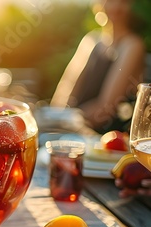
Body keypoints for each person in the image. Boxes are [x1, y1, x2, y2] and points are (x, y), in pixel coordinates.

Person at [50, 0, 146, 134]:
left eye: (123, 1)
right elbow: (66, 89)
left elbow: (105, 109)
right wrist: (53, 119)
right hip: (75, 130)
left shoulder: (132, 45)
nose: (116, 6)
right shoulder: (90, 40)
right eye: (110, 1)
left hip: (107, 139)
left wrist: (64, 121)